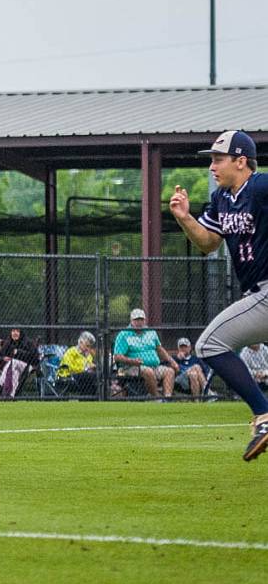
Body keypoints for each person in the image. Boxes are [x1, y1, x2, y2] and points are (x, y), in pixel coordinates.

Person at [170, 129, 268, 457]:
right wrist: (185, 219)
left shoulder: (260, 186)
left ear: (241, 161)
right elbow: (208, 243)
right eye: (211, 159)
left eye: (218, 159)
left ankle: (264, 415)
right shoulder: (223, 198)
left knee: (210, 345)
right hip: (257, 296)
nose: (212, 166)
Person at [111, 309, 178, 399]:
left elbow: (160, 349)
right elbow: (117, 356)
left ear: (144, 320)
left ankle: (167, 399)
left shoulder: (151, 332)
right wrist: (132, 361)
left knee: (169, 371)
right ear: (131, 321)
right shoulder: (123, 334)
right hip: (130, 368)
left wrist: (172, 361)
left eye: (141, 319)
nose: (139, 322)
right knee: (148, 371)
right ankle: (156, 398)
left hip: (154, 366)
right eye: (136, 320)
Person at [0, 328, 40, 399]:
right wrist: (3, 358)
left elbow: (35, 357)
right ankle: (11, 396)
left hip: (28, 367)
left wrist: (18, 352)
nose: (15, 333)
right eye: (13, 331)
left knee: (13, 361)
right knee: (15, 372)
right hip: (12, 368)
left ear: (21, 333)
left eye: (17, 331)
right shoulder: (8, 343)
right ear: (11, 333)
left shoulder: (27, 342)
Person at [55, 331, 99, 397]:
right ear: (80, 343)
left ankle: (88, 402)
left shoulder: (88, 355)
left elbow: (89, 366)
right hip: (67, 376)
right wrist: (85, 369)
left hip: (83, 378)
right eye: (87, 345)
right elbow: (68, 367)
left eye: (89, 346)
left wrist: (91, 367)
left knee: (93, 379)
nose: (88, 348)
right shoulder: (71, 352)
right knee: (89, 377)